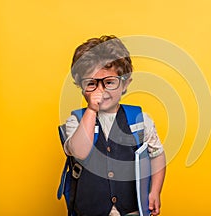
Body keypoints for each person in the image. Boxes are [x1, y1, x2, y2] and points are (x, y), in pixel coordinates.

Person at [63, 35, 166, 216]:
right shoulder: (76, 121)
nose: (101, 91)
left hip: (131, 210)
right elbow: (79, 152)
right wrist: (91, 110)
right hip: (89, 210)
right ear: (81, 87)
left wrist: (155, 191)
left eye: (109, 82)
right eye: (92, 84)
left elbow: (157, 156)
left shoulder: (140, 120)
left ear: (125, 83)